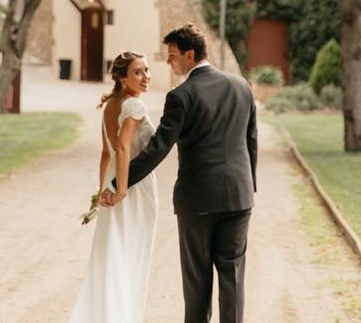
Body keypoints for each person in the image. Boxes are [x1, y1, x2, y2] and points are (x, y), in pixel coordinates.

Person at [102, 23, 258, 323]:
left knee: (197, 277)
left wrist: (117, 183)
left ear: (189, 54)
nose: (169, 62)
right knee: (233, 274)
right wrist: (249, 184)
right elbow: (251, 139)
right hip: (239, 196)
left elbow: (158, 148)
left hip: (198, 199)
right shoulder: (241, 85)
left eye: (172, 55)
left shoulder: (181, 95)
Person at [69, 52, 158, 323]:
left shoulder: (111, 105)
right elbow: (121, 148)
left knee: (112, 252)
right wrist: (120, 190)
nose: (146, 77)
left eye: (146, 70)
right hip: (132, 188)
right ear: (122, 79)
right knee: (131, 253)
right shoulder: (135, 107)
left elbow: (105, 154)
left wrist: (101, 190)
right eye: (137, 72)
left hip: (112, 183)